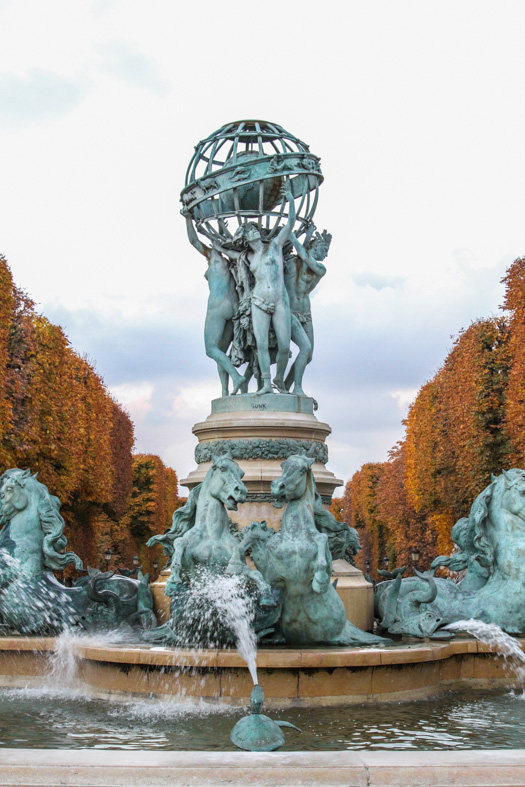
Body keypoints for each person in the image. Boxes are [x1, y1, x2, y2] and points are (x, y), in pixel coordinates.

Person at [219, 183, 295, 395]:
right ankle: (266, 384)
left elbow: (289, 224)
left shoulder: (275, 246)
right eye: (249, 230)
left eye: (254, 228)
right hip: (258, 302)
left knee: (284, 347)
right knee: (260, 345)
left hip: (280, 300)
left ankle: (279, 380)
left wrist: (289, 200)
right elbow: (223, 250)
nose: (253, 230)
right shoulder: (247, 257)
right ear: (244, 238)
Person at [185, 216, 245, 396]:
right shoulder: (231, 260)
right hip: (234, 306)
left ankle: (235, 377)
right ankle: (225, 392)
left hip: (217, 306)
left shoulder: (213, 257)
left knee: (211, 350)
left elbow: (193, 240)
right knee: (222, 353)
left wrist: (187, 219)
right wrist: (220, 225)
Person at [283, 226, 331, 395]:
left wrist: (296, 238)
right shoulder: (291, 262)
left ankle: (284, 386)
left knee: (308, 355)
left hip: (306, 314)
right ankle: (297, 388)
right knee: (305, 349)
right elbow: (301, 256)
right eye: (323, 249)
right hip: (289, 311)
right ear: (314, 246)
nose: (325, 254)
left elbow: (305, 257)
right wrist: (304, 237)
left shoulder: (320, 269)